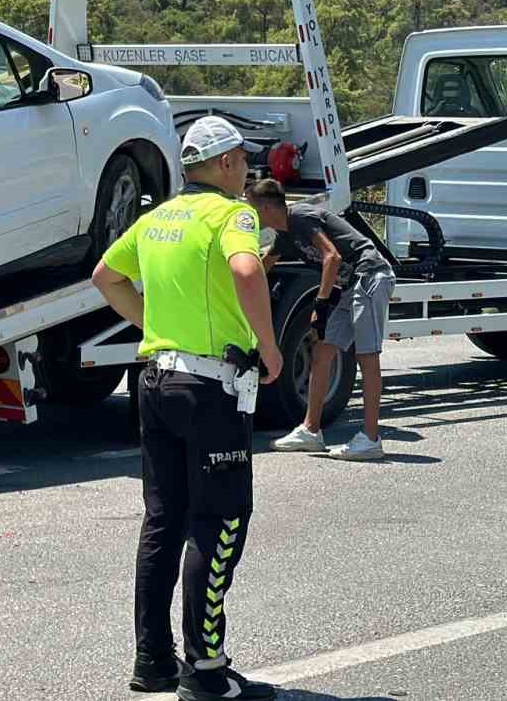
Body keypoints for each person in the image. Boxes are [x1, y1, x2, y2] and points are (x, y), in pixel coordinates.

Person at [92, 115, 283, 700]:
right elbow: (247, 268)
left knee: (164, 522)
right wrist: (270, 348)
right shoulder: (233, 214)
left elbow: (105, 275)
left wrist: (154, 324)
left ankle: (153, 661)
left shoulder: (158, 218)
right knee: (219, 521)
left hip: (154, 382)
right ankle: (204, 671)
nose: (247, 170)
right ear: (225, 163)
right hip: (209, 390)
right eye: (244, 160)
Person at [246, 178, 395, 461]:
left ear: (265, 207)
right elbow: (261, 267)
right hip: (352, 285)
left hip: (371, 275)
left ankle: (371, 439)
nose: (249, 216)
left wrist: (321, 303)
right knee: (322, 352)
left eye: (251, 208)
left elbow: (332, 257)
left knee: (367, 357)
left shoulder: (300, 216)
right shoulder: (284, 234)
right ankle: (311, 431)